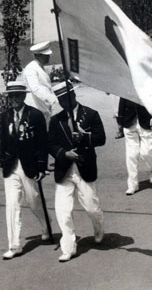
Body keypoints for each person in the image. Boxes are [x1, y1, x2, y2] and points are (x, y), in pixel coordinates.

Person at [48, 81, 106, 262]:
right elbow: (50, 144)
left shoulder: (90, 114)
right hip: (64, 170)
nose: (63, 102)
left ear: (73, 96)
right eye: (60, 100)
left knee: (91, 207)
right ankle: (69, 247)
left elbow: (101, 138)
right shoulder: (55, 120)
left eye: (66, 98)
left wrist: (84, 137)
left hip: (85, 169)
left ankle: (98, 228)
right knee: (63, 210)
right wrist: (64, 153)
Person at [0, 81, 49, 260]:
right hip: (11, 167)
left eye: (17, 95)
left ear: (24, 96)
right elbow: (3, 142)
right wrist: (3, 161)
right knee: (12, 205)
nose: (14, 99)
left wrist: (42, 166)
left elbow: (43, 143)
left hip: (30, 166)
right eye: (11, 96)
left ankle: (45, 226)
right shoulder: (4, 116)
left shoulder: (35, 115)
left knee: (33, 200)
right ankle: (14, 245)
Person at [117, 98, 152, 195]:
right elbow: (122, 103)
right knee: (131, 156)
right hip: (129, 123)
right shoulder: (126, 85)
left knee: (147, 152)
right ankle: (132, 185)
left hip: (146, 121)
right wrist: (120, 122)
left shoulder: (148, 84)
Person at [21, 41, 57, 125]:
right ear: (38, 55)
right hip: (35, 109)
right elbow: (35, 88)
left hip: (44, 109)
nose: (49, 57)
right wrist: (53, 100)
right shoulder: (31, 69)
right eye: (46, 55)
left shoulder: (40, 67)